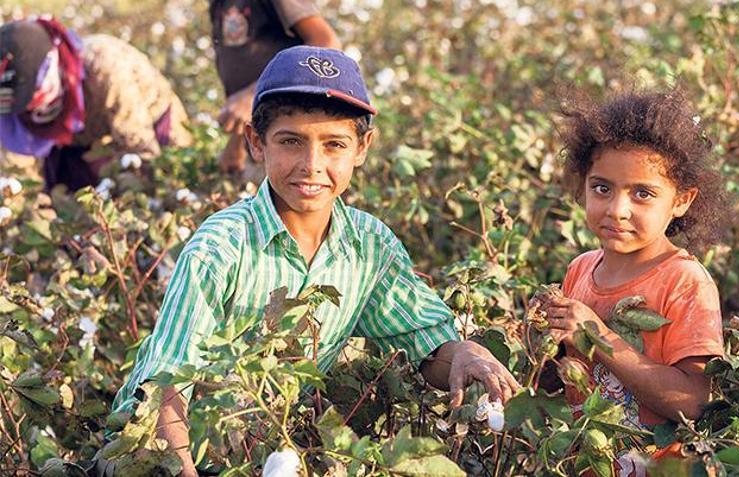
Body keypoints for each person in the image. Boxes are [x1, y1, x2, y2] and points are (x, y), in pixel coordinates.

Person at [112, 46, 519, 477]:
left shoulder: (369, 245)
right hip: (165, 455)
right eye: (291, 142)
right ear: (256, 142)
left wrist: (462, 354)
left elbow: (423, 347)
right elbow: (165, 386)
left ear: (362, 148)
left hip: (267, 457)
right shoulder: (220, 247)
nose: (312, 165)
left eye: (334, 145)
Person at [539, 87, 732, 474]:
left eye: (642, 193)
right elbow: (561, 382)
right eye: (602, 188)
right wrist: (541, 343)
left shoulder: (684, 281)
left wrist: (599, 337)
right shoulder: (580, 269)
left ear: (682, 200)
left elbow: (694, 400)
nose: (617, 209)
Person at [0, 17, 192, 191]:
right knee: (64, 202)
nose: (32, 108)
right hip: (81, 143)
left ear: (52, 64)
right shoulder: (11, 100)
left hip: (152, 124)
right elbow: (16, 166)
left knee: (170, 182)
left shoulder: (106, 68)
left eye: (33, 97)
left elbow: (141, 149)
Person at [209, 0, 341, 174]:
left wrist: (253, 95)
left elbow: (326, 43)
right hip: (265, 136)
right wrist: (238, 142)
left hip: (294, 136)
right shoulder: (219, 4)